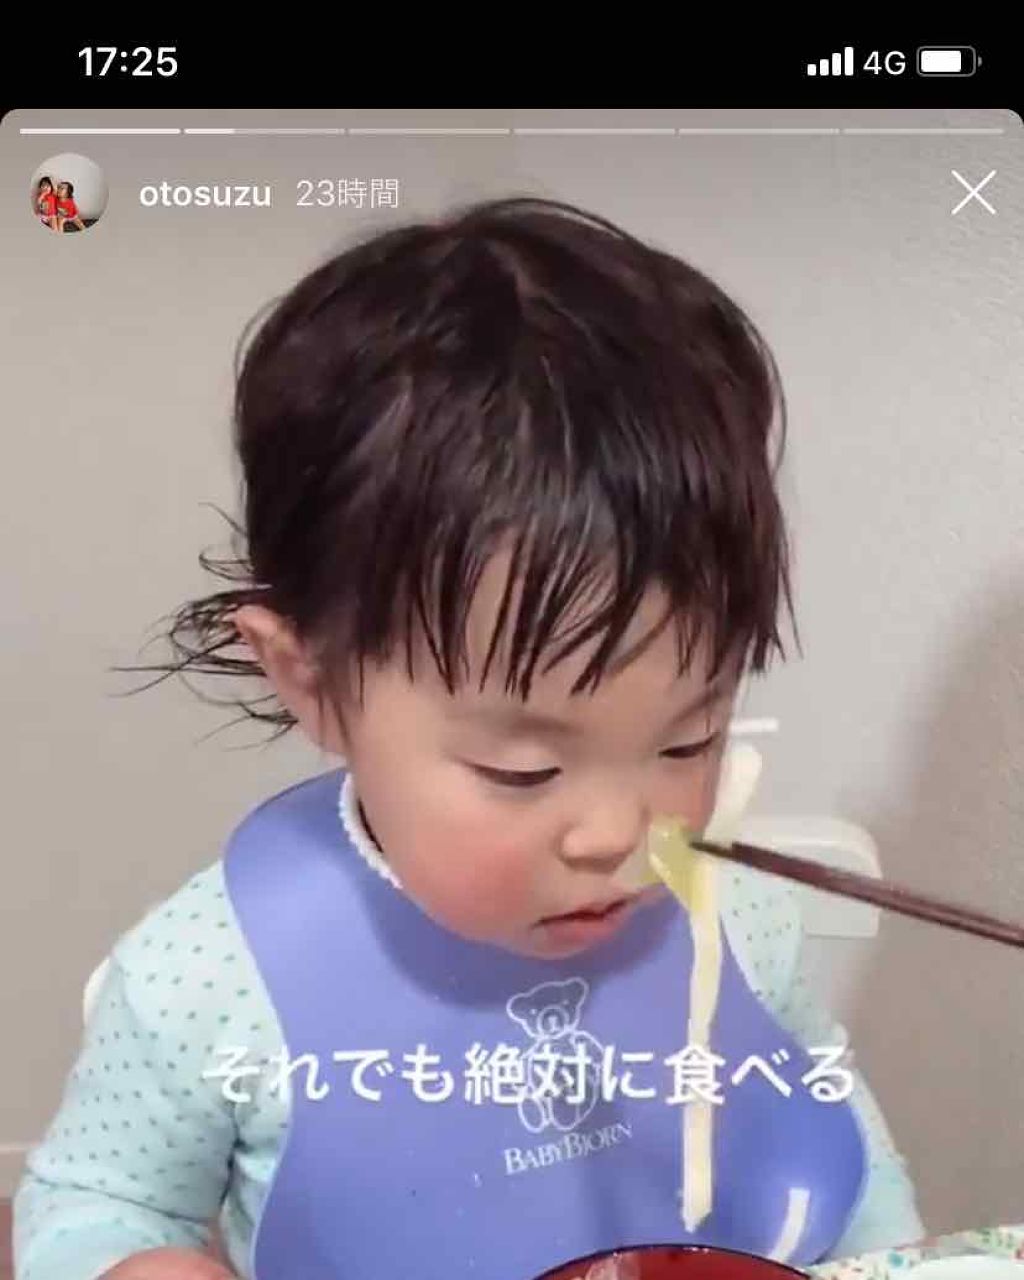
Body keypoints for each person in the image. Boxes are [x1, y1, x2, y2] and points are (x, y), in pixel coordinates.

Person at [13, 197, 923, 1280]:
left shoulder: (739, 920)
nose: (619, 833)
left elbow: (828, 1127)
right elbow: (99, 1199)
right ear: (310, 680)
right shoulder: (210, 977)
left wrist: (897, 1257)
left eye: (689, 741)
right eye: (522, 768)